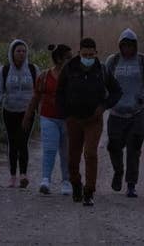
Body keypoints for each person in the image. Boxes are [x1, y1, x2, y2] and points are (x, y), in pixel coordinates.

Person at [56, 37, 122, 207]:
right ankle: (76, 184)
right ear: (79, 53)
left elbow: (117, 91)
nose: (88, 58)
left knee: (91, 153)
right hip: (74, 119)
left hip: (94, 119)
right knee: (73, 158)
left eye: (91, 55)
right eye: (85, 54)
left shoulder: (102, 70)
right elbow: (59, 92)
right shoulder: (69, 68)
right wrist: (65, 114)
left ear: (96, 53)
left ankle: (89, 191)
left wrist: (105, 106)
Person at [104, 28, 144, 198]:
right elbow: (104, 83)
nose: (127, 48)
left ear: (135, 46)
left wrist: (142, 98)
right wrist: (108, 100)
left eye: (130, 45)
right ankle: (118, 172)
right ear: (120, 45)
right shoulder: (112, 61)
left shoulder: (143, 61)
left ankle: (131, 184)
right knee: (114, 147)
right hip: (116, 113)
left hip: (136, 113)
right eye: (124, 45)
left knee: (134, 149)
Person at [23, 44, 73, 196]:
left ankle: (66, 181)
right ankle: (45, 179)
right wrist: (27, 116)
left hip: (68, 119)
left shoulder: (74, 77)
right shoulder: (44, 77)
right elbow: (36, 97)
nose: (71, 61)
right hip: (48, 117)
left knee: (67, 152)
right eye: (68, 58)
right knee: (50, 149)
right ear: (58, 59)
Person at [0, 39, 39, 188]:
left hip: (27, 112)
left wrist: (41, 108)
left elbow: (40, 90)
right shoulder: (4, 70)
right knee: (12, 142)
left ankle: (23, 174)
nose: (21, 54)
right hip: (9, 111)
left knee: (23, 141)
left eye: (24, 51)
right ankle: (12, 176)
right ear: (12, 53)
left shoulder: (33, 69)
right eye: (18, 51)